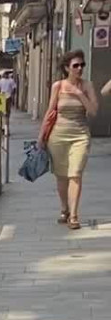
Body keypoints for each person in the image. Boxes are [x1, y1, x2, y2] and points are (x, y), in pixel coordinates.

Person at [41, 50, 98, 229]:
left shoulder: (87, 85)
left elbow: (93, 111)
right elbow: (50, 111)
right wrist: (41, 137)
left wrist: (79, 94)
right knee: (61, 177)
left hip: (80, 135)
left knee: (75, 174)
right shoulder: (58, 86)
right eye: (75, 65)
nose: (79, 68)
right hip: (58, 136)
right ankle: (64, 208)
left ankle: (73, 215)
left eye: (82, 65)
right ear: (67, 68)